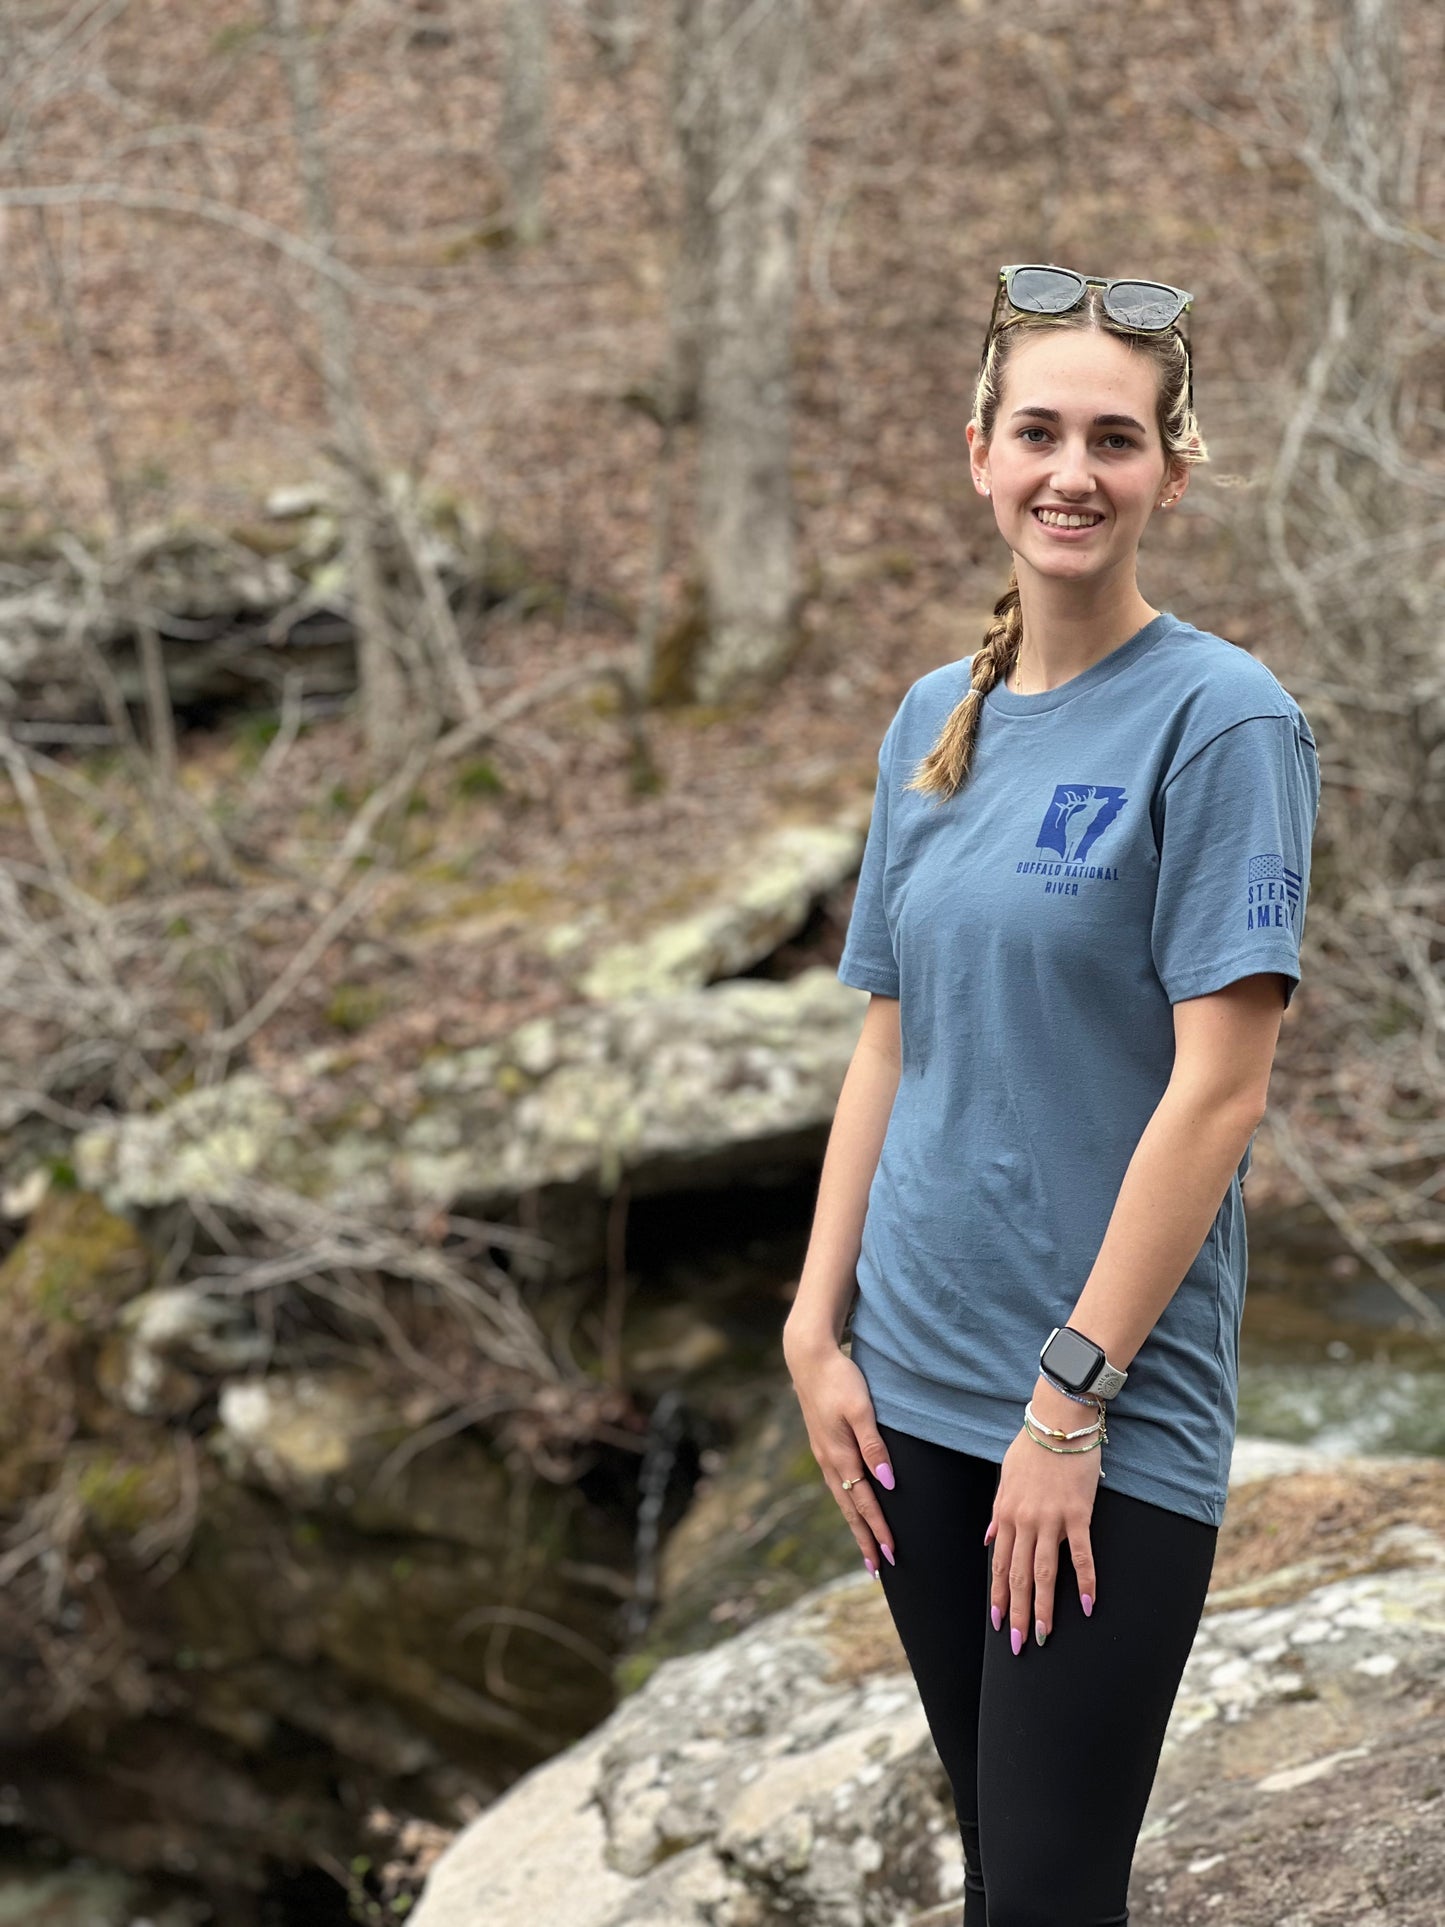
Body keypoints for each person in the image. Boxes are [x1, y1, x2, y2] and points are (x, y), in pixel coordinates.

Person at [782, 264, 1322, 1927]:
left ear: (1170, 469)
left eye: (1113, 436)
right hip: (907, 1383)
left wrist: (1068, 1403)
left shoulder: (1222, 723)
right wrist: (813, 1327)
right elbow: (891, 1034)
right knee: (1000, 1869)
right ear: (978, 454)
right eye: (1038, 432)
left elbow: (1216, 1099)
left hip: (1092, 1408)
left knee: (1051, 1895)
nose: (1068, 470)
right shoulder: (928, 720)